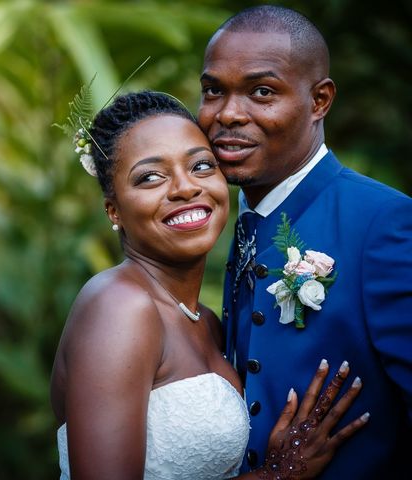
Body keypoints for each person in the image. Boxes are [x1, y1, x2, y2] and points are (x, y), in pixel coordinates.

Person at [51, 90, 367, 479]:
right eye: (151, 176)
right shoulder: (119, 305)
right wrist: (277, 475)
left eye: (201, 166)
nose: (185, 188)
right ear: (113, 209)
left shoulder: (208, 324)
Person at [198, 5, 412, 478]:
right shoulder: (247, 217)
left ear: (319, 101)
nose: (228, 114)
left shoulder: (385, 224)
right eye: (214, 90)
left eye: (261, 91)